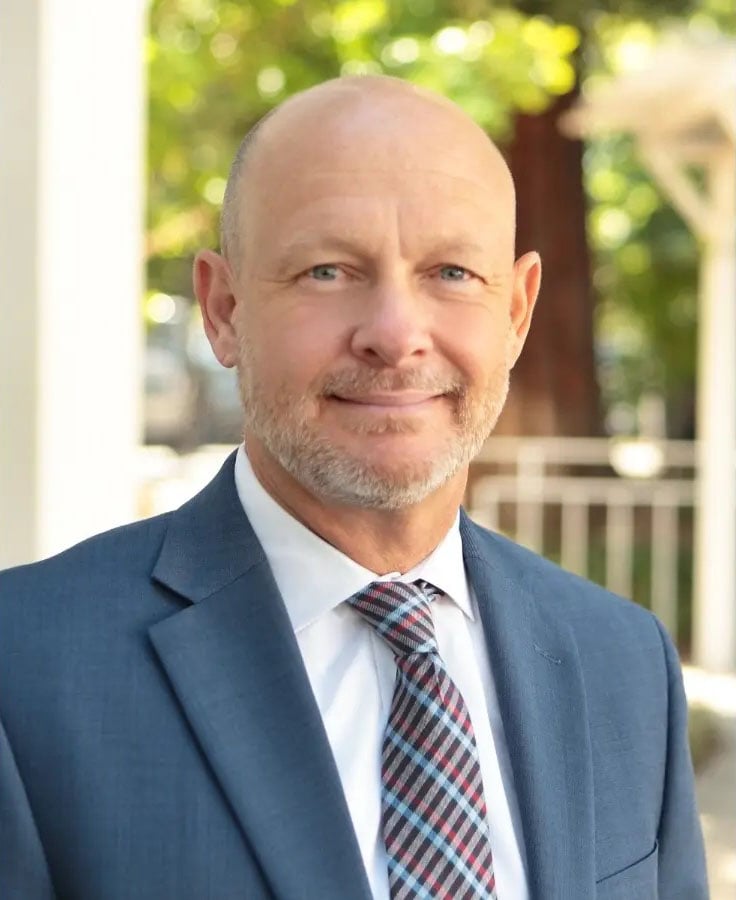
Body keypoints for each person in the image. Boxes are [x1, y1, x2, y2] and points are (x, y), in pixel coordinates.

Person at [0, 76, 706, 900]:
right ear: (223, 309)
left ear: (516, 314)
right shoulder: (26, 669)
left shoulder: (622, 660)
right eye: (329, 271)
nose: (397, 336)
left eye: (450, 271)